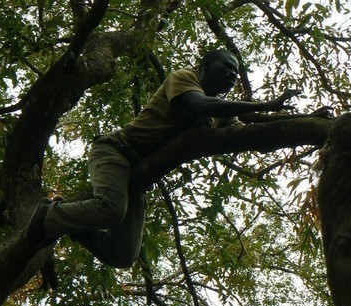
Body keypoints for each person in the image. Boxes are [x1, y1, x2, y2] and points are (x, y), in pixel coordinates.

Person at [27, 49, 300, 267]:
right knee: (110, 210)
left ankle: (73, 227)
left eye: (236, 72)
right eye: (226, 67)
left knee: (123, 256)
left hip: (138, 177)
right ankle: (50, 213)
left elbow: (252, 135)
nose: (232, 75)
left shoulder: (222, 114)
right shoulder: (185, 78)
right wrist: (266, 104)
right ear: (205, 67)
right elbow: (197, 105)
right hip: (116, 151)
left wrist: (305, 120)